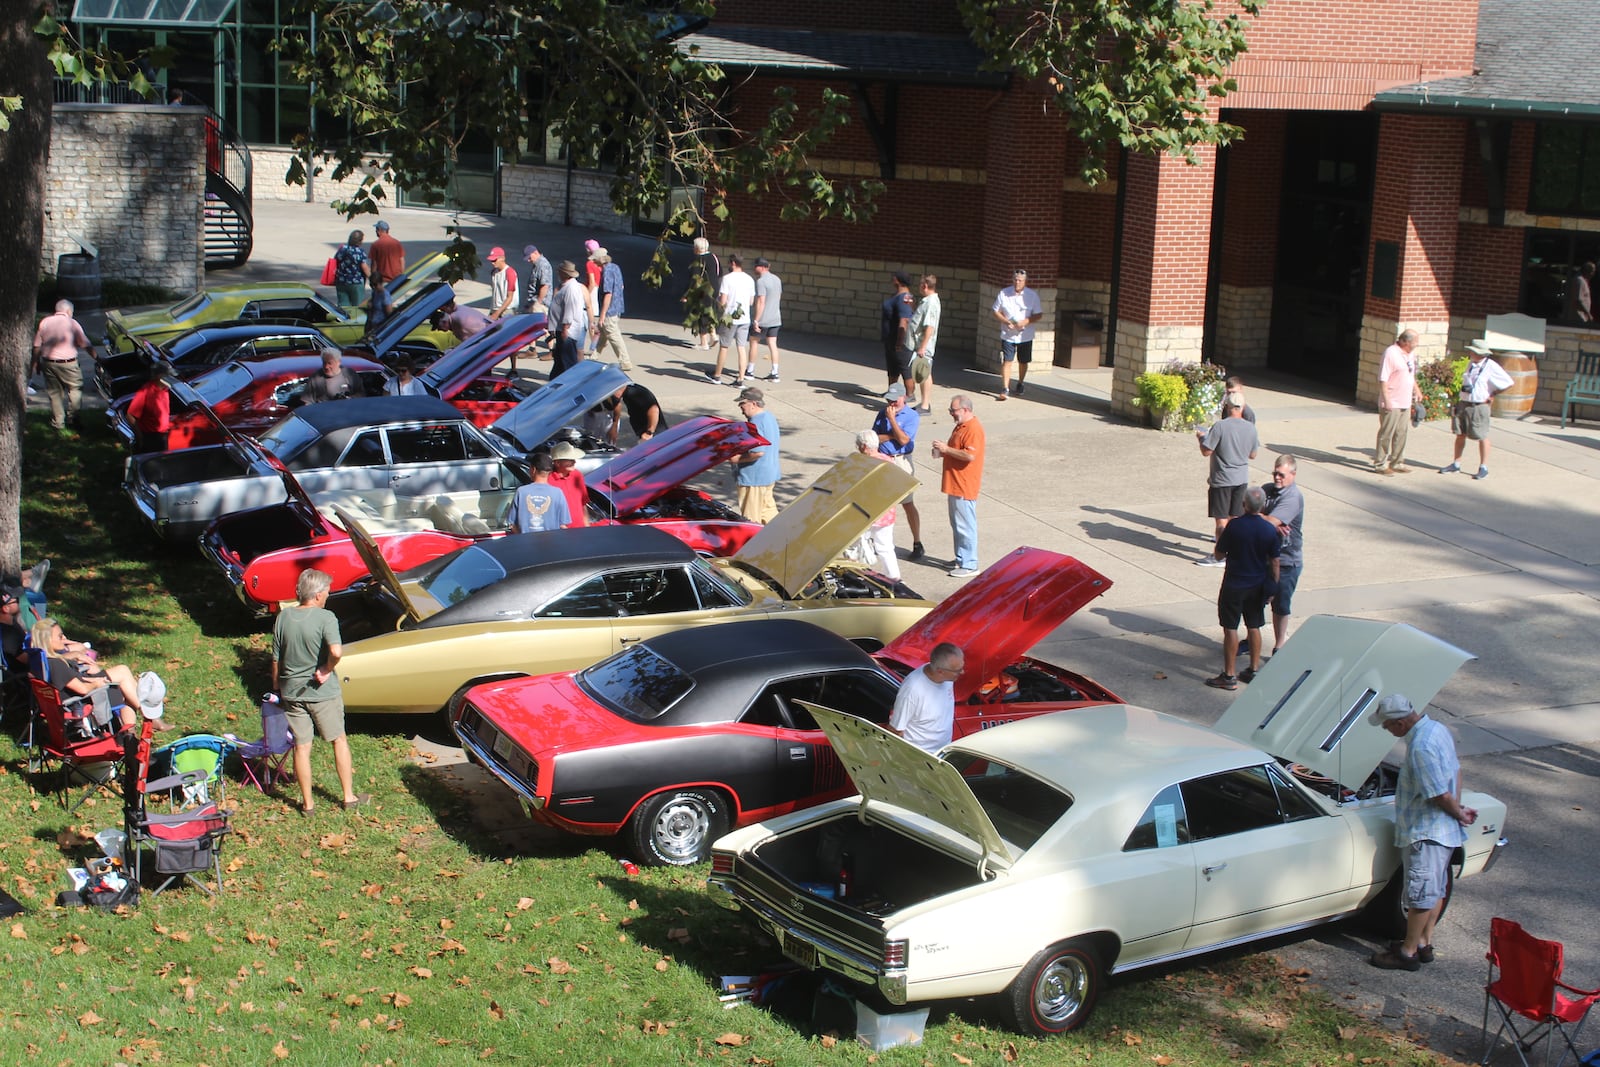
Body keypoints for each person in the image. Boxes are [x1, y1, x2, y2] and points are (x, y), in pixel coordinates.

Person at [1367, 694, 1478, 971]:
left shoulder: (1421, 748)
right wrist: (1459, 806)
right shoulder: (1437, 730)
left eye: (1387, 726)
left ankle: (1407, 953)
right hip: (1443, 831)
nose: (1387, 731)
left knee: (1420, 896)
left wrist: (1458, 812)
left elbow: (1437, 793)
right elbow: (1456, 772)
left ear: (1401, 723)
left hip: (1426, 831)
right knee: (1436, 890)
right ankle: (1424, 943)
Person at [271, 569, 369, 815]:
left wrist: (276, 686)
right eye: (326, 591)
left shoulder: (283, 617)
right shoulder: (326, 618)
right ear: (316, 595)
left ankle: (308, 805)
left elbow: (275, 658)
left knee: (302, 747)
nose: (328, 595)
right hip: (321, 693)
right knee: (338, 739)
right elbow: (336, 652)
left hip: (291, 692)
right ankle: (348, 797)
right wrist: (326, 668)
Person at [30, 616, 170, 733]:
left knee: (122, 672)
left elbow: (69, 681)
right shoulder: (56, 664)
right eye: (60, 636)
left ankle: (133, 733)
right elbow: (82, 689)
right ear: (48, 640)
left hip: (79, 693)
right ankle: (140, 726)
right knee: (126, 690)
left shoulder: (42, 661)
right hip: (87, 699)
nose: (64, 638)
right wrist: (97, 682)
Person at [1204, 486, 1281, 691]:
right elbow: (1275, 561)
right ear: (1263, 505)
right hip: (1257, 585)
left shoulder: (1234, 526)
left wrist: (1220, 536)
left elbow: (1219, 556)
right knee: (1254, 626)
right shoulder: (1269, 529)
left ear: (1244, 504)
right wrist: (1273, 586)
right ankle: (1253, 669)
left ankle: (1229, 675)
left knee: (1230, 628)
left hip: (1234, 584)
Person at [1195, 398, 1261, 564]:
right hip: (1241, 480)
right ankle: (1234, 553)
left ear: (1227, 407)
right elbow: (1253, 455)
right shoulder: (1250, 428)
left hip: (1222, 479)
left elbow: (1206, 451)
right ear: (1242, 408)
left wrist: (1202, 438)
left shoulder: (1220, 426)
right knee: (1235, 519)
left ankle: (1220, 555)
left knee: (1221, 522)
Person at [1440, 340, 1514, 480]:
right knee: (1460, 433)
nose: (1470, 353)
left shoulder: (1490, 366)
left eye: (1473, 351)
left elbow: (1508, 382)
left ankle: (1483, 467)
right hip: (1464, 403)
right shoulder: (1470, 364)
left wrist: (1493, 394)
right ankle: (1456, 463)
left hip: (1479, 406)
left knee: (1481, 435)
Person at [933, 394, 984, 578]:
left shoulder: (973, 429)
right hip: (954, 483)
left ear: (965, 409)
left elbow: (970, 456)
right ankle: (961, 558)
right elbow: (958, 451)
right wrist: (943, 452)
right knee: (957, 525)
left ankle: (970, 564)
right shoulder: (960, 426)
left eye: (953, 411)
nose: (951, 414)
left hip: (964, 485)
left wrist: (946, 450)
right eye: (950, 411)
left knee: (965, 526)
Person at [1259, 454, 1304, 657]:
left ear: (1293, 475)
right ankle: (1253, 638)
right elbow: (1249, 512)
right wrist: (1264, 518)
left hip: (1287, 561)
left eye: (1282, 474)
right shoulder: (1267, 490)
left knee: (1280, 605)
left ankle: (1279, 646)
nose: (1277, 478)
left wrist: (1265, 519)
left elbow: (1268, 522)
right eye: (1275, 473)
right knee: (1256, 600)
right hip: (1265, 557)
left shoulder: (1292, 497)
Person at [873, 382, 924, 561]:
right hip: (883, 458)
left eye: (894, 399)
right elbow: (874, 438)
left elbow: (903, 440)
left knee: (907, 503)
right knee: (883, 505)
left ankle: (917, 543)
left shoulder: (911, 416)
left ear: (903, 397)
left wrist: (893, 421)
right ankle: (883, 543)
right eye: (889, 399)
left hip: (901, 461)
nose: (891, 403)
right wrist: (892, 435)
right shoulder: (882, 413)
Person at [888, 642, 964, 754]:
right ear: (940, 671)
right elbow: (896, 730)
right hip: (920, 756)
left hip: (944, 751)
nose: (962, 672)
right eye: (958, 671)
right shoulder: (912, 690)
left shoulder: (947, 677)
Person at [32, 299, 92, 432]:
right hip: (69, 363)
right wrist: (97, 358)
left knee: (55, 394)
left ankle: (58, 423)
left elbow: (36, 345)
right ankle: (73, 417)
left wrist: (35, 362)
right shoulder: (72, 323)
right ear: (69, 311)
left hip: (48, 363)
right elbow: (85, 344)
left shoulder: (45, 322)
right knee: (75, 389)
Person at [852, 430, 901, 581]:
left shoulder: (863, 464)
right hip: (886, 512)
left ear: (865, 446)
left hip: (867, 512)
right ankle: (894, 576)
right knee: (885, 546)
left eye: (859, 445)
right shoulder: (888, 460)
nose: (858, 448)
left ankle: (861, 575)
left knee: (859, 546)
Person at [1375, 330, 1423, 474]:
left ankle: (1397, 462)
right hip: (1392, 401)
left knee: (1401, 432)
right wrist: (1387, 400)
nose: (1417, 344)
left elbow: (1410, 374)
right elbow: (1383, 379)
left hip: (1405, 400)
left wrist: (1417, 390)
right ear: (1405, 342)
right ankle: (1380, 463)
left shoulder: (1410, 354)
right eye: (1414, 342)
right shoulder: (1391, 353)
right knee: (1386, 433)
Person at [733, 387, 781, 523]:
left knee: (751, 518)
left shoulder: (755, 423)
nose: (740, 407)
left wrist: (737, 459)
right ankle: (784, 539)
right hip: (769, 474)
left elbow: (758, 452)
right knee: (768, 512)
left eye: (742, 403)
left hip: (754, 478)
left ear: (753, 403)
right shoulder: (769, 417)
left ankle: (752, 543)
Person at [991, 268, 1042, 400]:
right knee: (1007, 360)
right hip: (1008, 334)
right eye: (1015, 280)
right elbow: (996, 310)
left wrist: (1026, 321)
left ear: (1025, 282)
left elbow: (1038, 314)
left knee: (1023, 361)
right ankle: (1005, 388)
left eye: (1020, 280)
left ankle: (1020, 383)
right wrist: (1006, 321)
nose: (1017, 283)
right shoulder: (1004, 293)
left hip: (1025, 335)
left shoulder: (1032, 296)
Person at [711, 255, 756, 385]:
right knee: (741, 347)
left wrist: (718, 300)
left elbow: (723, 301)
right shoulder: (749, 279)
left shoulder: (727, 279)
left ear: (733, 263)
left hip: (729, 317)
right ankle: (741, 378)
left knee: (724, 346)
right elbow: (751, 301)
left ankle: (717, 375)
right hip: (745, 317)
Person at [505, 453, 572, 533]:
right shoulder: (558, 493)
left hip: (526, 544)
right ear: (550, 472)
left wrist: (521, 539)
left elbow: (512, 524)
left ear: (533, 469)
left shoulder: (521, 492)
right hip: (552, 544)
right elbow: (563, 525)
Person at [545, 261, 589, 379]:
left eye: (560, 271)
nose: (558, 273)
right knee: (559, 362)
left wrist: (565, 329)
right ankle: (553, 385)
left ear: (564, 273)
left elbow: (570, 309)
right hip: (562, 330)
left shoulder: (571, 288)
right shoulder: (566, 286)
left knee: (568, 364)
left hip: (567, 332)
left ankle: (570, 387)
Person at [593, 249, 634, 371]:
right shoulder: (615, 267)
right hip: (617, 307)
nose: (593, 261)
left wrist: (602, 315)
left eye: (595, 259)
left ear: (600, 260)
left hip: (609, 310)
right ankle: (594, 356)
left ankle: (625, 361)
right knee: (603, 334)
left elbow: (608, 294)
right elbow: (621, 286)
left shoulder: (607, 272)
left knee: (613, 335)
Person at [907, 275, 942, 414]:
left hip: (924, 346)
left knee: (925, 373)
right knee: (923, 373)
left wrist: (923, 346)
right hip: (920, 344)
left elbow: (929, 327)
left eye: (920, 285)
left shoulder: (931, 303)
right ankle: (924, 403)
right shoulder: (926, 302)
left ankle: (925, 405)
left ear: (925, 286)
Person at [880, 271, 916, 395]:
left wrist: (900, 342)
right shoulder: (896, 295)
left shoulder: (905, 297)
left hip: (900, 340)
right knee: (892, 369)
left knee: (905, 369)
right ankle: (892, 393)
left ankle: (910, 395)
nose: (892, 279)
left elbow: (905, 319)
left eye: (894, 277)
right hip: (890, 339)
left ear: (898, 280)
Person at [683, 236, 721, 351]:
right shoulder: (714, 257)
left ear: (698, 248)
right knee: (710, 312)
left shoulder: (698, 260)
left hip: (702, 291)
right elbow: (720, 273)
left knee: (700, 315)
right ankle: (713, 334)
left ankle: (703, 343)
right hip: (714, 289)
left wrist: (686, 294)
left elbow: (694, 279)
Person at [749, 257, 783, 382]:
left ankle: (750, 370)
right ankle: (775, 373)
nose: (754, 268)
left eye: (755, 266)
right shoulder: (777, 279)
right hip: (775, 318)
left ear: (762, 267)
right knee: (773, 344)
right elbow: (778, 297)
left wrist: (756, 320)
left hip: (764, 319)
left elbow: (761, 302)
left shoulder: (761, 281)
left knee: (753, 342)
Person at [127, 363, 173, 452]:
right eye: (168, 375)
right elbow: (130, 415)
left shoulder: (165, 390)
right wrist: (140, 438)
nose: (170, 379)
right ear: (159, 376)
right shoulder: (146, 391)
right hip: (151, 437)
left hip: (163, 436)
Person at [603, 382, 667, 446]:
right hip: (647, 433)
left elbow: (654, 410)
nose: (613, 397)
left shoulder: (634, 394)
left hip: (654, 435)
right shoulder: (628, 391)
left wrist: (649, 432)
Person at [548, 441, 590, 527]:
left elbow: (583, 503)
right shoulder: (548, 481)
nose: (574, 462)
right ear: (557, 463)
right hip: (562, 534)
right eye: (570, 460)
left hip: (581, 530)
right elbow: (549, 511)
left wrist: (587, 526)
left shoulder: (577, 475)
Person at [299, 350, 366, 404]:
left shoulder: (349, 374)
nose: (326, 367)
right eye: (324, 363)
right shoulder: (316, 378)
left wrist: (349, 399)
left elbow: (361, 394)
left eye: (329, 363)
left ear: (338, 362)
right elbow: (307, 402)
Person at [332, 230, 370, 308]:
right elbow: (364, 267)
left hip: (341, 281)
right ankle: (355, 319)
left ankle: (343, 319)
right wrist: (372, 278)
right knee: (357, 306)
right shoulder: (360, 252)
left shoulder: (342, 249)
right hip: (356, 283)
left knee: (343, 306)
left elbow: (336, 260)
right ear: (359, 241)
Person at [582, 241, 603, 355]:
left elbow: (592, 282)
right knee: (592, 320)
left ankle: (594, 348)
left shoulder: (589, 263)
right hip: (597, 290)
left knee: (590, 323)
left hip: (592, 291)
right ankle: (594, 347)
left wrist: (586, 295)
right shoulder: (599, 262)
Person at [487, 246, 517, 322]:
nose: (492, 263)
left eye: (494, 260)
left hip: (506, 310)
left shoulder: (510, 272)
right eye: (491, 261)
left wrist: (497, 313)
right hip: (495, 308)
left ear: (502, 258)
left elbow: (510, 297)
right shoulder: (494, 272)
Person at [522, 245, 553, 312]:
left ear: (535, 253)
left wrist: (538, 303)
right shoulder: (536, 265)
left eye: (529, 258)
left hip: (540, 305)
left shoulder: (543, 265)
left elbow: (545, 286)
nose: (528, 260)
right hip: (532, 303)